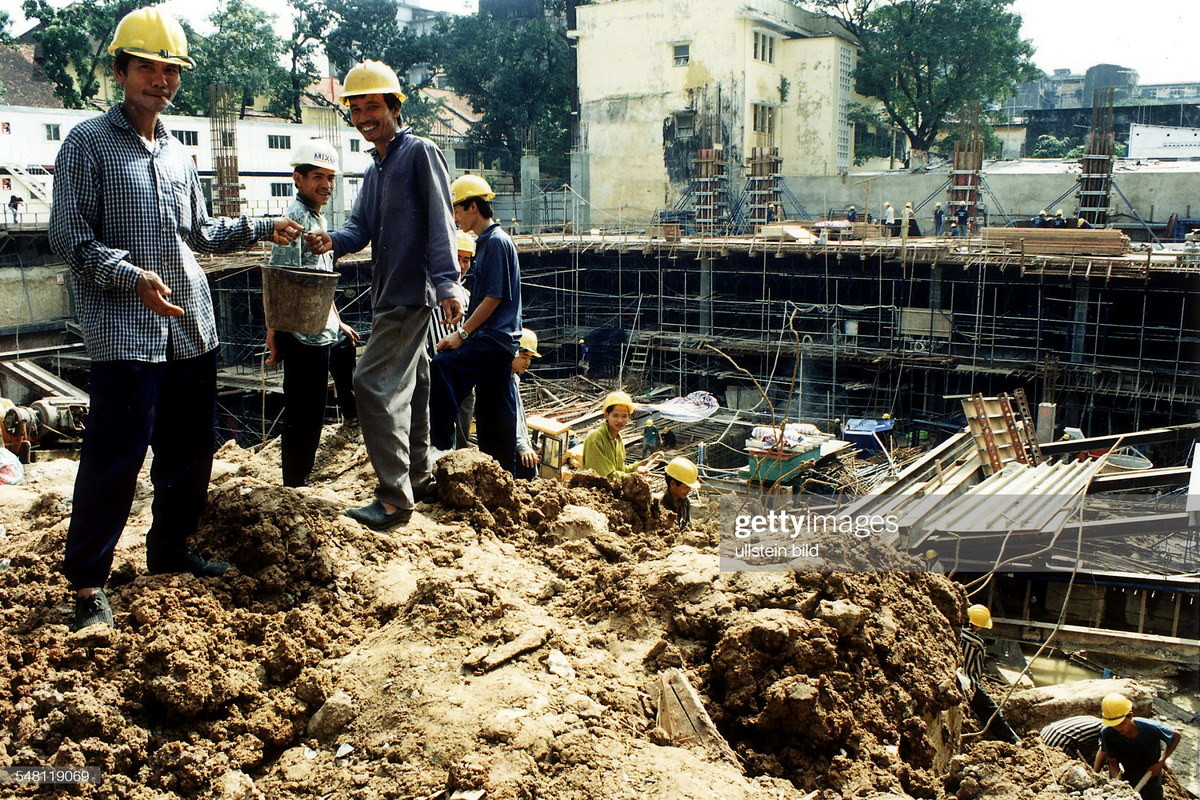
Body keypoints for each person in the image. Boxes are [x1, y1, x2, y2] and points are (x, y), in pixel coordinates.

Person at [48, 7, 303, 632]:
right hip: (124, 333)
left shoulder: (177, 154)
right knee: (115, 458)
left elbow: (200, 232)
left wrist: (262, 225)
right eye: (146, 69)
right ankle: (87, 584)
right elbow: (69, 238)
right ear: (119, 72)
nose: (160, 81)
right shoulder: (87, 144)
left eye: (170, 71)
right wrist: (131, 277)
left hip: (190, 326)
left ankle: (170, 550)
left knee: (189, 452)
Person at [305, 59, 461, 531]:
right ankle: (419, 475)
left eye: (373, 106)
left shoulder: (419, 153)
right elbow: (359, 228)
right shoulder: (375, 170)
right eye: (356, 109)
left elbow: (441, 221)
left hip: (411, 292)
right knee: (416, 386)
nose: (364, 117)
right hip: (389, 291)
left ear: (395, 107)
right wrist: (332, 240)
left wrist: (448, 282)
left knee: (371, 384)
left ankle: (394, 500)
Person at [265, 138, 360, 488]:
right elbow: (279, 280)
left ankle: (352, 421)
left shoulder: (317, 219)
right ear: (298, 179)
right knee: (304, 415)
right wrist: (274, 333)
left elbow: (321, 280)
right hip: (302, 334)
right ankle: (295, 483)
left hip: (320, 329)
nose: (326, 185)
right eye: (318, 176)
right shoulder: (295, 221)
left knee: (345, 351)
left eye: (330, 178)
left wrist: (338, 321)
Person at [429, 174, 522, 474]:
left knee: (442, 366)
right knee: (494, 411)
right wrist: (466, 318)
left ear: (472, 206)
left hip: (492, 340)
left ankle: (440, 447)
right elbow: (490, 297)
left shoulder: (494, 242)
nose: (456, 218)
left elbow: (494, 297)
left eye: (457, 210)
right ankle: (503, 473)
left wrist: (462, 333)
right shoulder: (491, 242)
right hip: (500, 341)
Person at [427, 229, 478, 449]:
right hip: (435, 374)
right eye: (457, 258)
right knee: (436, 433)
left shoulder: (467, 297)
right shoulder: (429, 293)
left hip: (463, 373)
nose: (462, 265)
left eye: (466, 260)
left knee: (462, 433)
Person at [1099, 693, 1180, 800]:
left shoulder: (1149, 727)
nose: (1118, 728)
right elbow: (1112, 762)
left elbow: (1176, 736)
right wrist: (1119, 785)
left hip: (1151, 773)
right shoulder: (1107, 733)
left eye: (1121, 723)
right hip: (1129, 774)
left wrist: (1160, 762)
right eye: (1114, 725)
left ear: (1130, 716)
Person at [959, 604, 1021, 744]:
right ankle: (1013, 740)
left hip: (958, 678)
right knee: (991, 710)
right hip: (970, 682)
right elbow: (977, 671)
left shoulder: (957, 633)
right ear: (979, 625)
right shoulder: (977, 643)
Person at [582, 391, 661, 479]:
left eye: (624, 416)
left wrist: (644, 462)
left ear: (629, 417)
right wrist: (632, 475)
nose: (620, 420)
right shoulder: (595, 438)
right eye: (615, 415)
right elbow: (604, 477)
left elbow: (621, 470)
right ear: (606, 415)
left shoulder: (618, 440)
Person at [512, 328, 541, 480]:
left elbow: (520, 421)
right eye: (524, 357)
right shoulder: (501, 383)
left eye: (530, 358)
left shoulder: (514, 379)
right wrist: (522, 446)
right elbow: (506, 421)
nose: (528, 362)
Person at [1040, 715, 1104, 767]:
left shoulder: (1095, 721)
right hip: (1057, 740)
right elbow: (1103, 752)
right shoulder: (1107, 730)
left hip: (1045, 733)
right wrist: (1095, 774)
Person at [661, 456, 699, 528]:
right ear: (673, 484)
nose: (689, 490)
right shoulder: (660, 505)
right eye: (686, 487)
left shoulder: (685, 502)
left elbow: (688, 525)